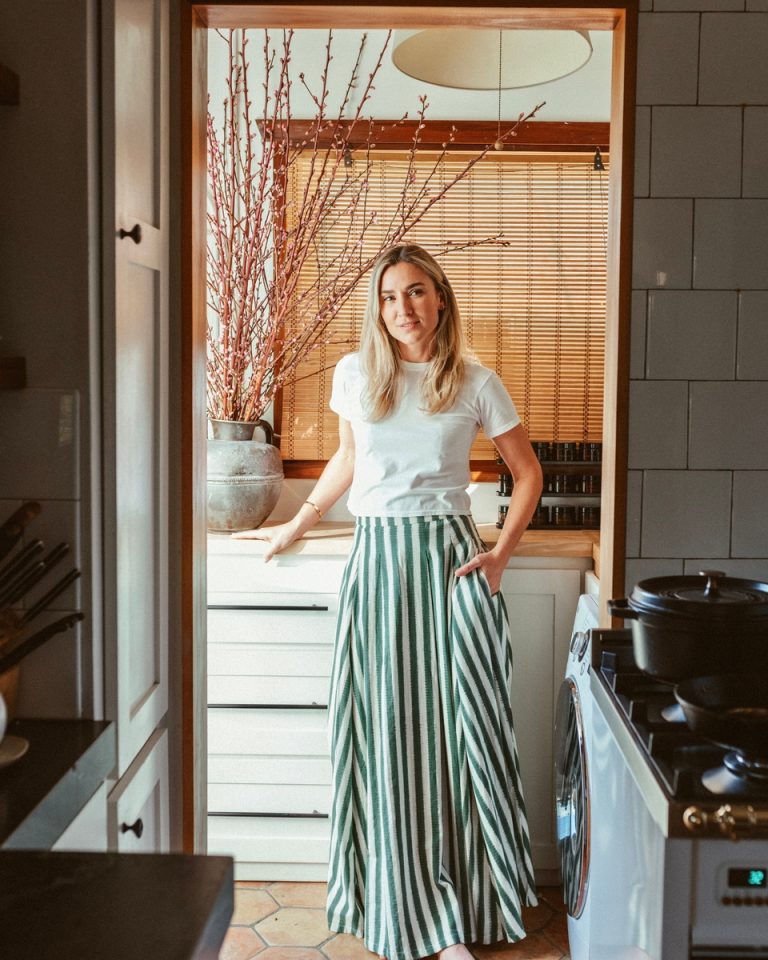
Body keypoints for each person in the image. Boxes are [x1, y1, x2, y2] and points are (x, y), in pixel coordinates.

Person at [234, 244, 544, 960]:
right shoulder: (354, 374)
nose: (401, 309)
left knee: (456, 733)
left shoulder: (475, 380)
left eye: (415, 293)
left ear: (441, 299)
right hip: (376, 563)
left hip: (449, 564)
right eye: (387, 297)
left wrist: (500, 554)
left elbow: (527, 474)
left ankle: (459, 905)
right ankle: (398, 902)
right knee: (387, 733)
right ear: (377, 308)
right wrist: (298, 521)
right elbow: (348, 459)